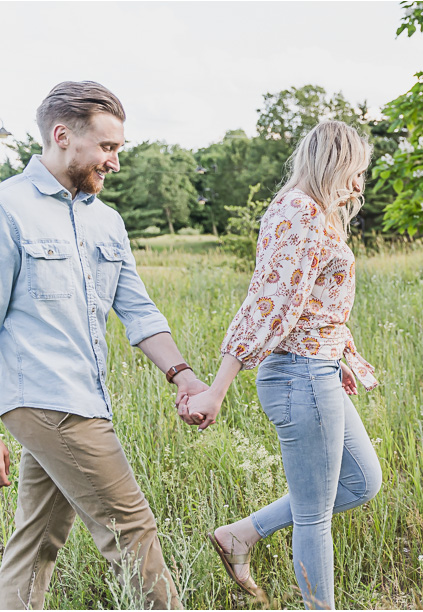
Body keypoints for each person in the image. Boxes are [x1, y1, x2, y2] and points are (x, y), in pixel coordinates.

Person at [0, 81, 208, 610]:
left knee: (38, 539)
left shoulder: (105, 221)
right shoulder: (9, 209)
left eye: (119, 148)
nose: (115, 161)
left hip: (83, 395)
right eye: (107, 147)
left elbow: (136, 309)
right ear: (62, 135)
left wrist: (183, 375)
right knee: (131, 528)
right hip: (47, 398)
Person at [182, 120, 382, 609]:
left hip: (319, 370)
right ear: (332, 164)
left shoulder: (317, 214)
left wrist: (345, 356)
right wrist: (217, 388)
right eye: (354, 173)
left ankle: (241, 535)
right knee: (315, 515)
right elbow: (269, 303)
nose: (359, 186)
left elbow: (315, 304)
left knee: (361, 480)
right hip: (300, 375)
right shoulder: (297, 211)